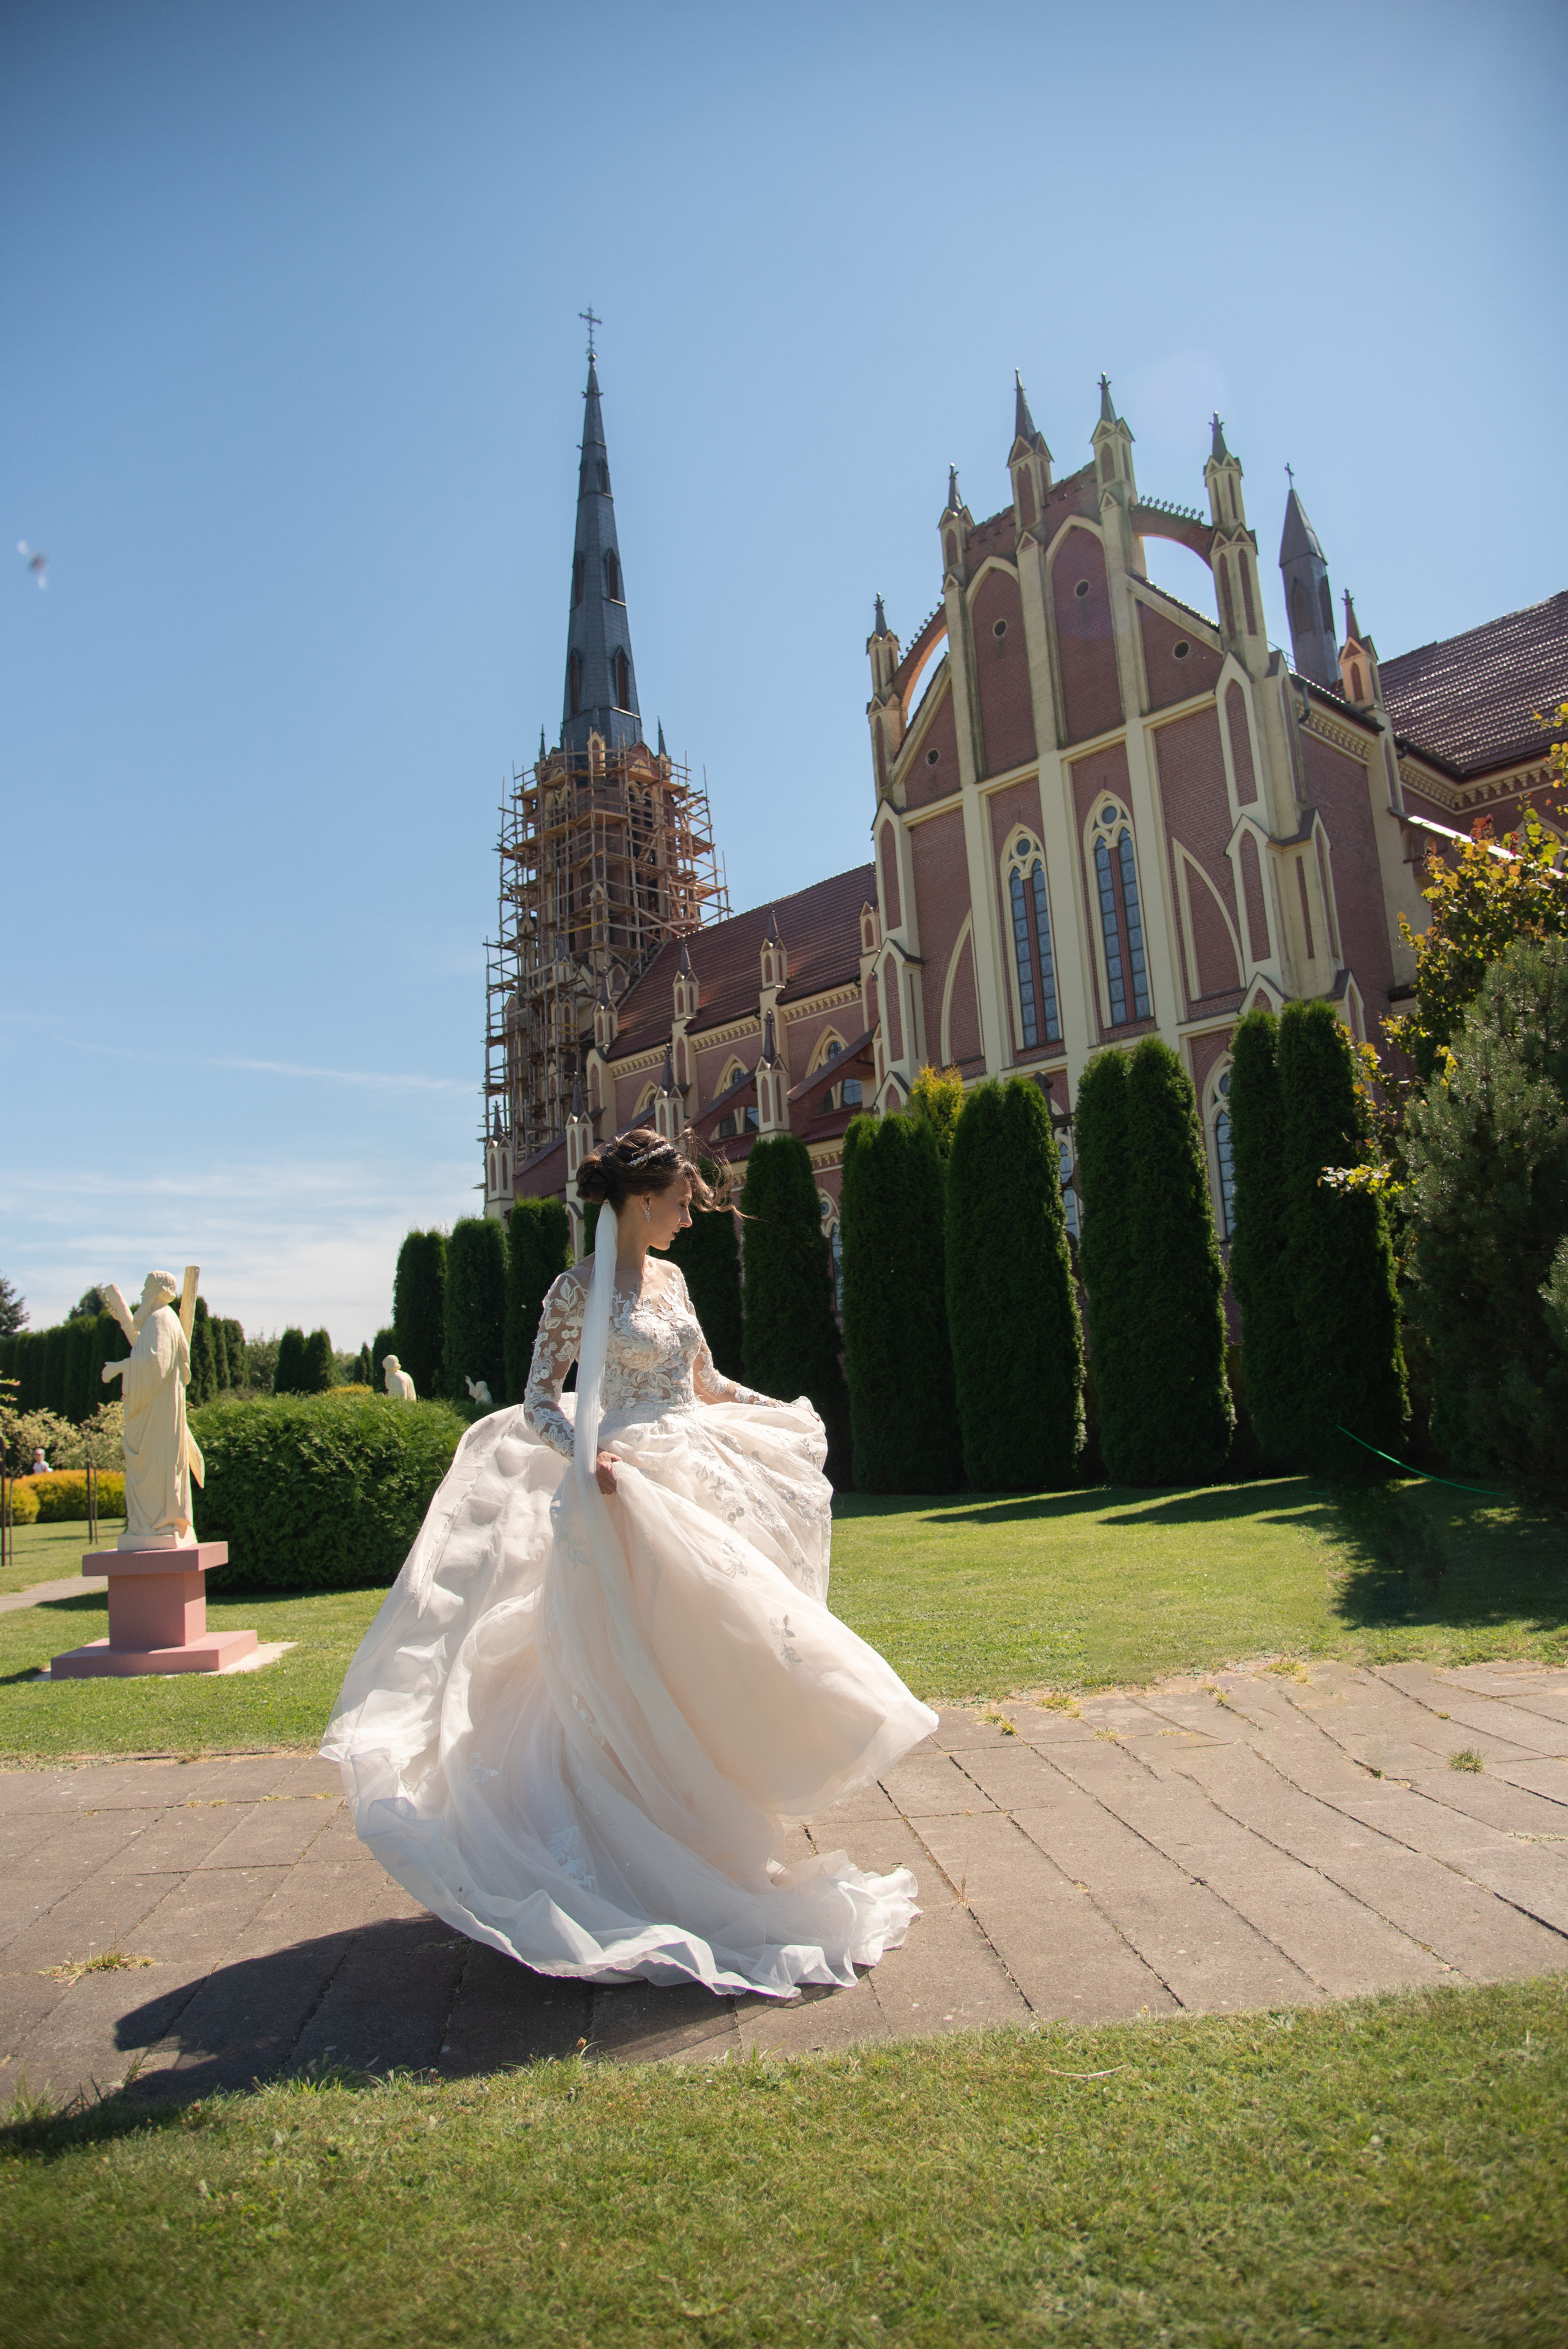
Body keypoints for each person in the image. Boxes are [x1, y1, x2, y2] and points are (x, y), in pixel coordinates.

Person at [323, 1129, 936, 1998]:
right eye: (681, 1203)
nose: (690, 1218)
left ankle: (705, 1837)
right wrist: (590, 1454)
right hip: (623, 1493)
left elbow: (705, 1382)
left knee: (711, 1656)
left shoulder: (675, 1281)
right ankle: (625, 1850)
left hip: (697, 1478)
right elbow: (539, 1400)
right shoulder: (575, 1290)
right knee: (626, 1666)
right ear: (640, 1201)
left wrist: (781, 1410)